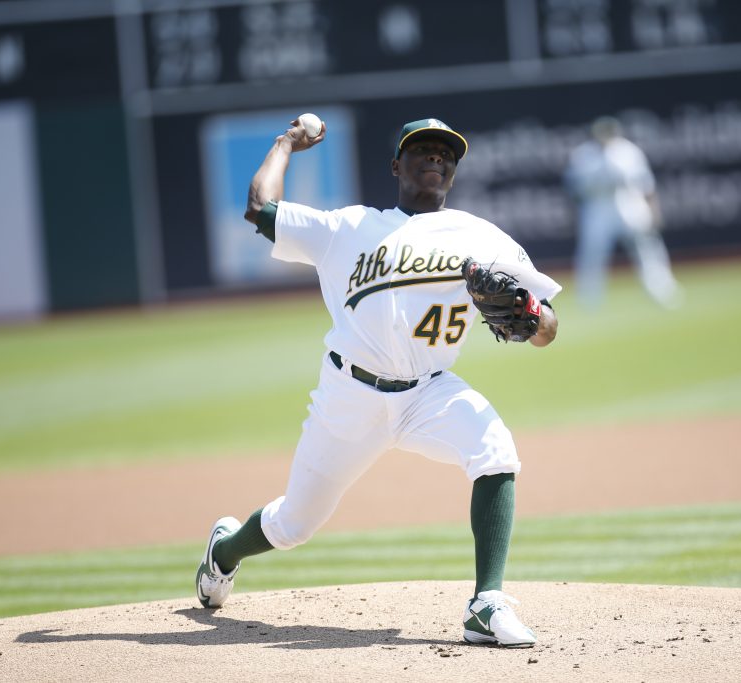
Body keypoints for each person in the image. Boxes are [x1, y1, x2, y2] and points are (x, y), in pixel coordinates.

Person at [195, 117, 561, 648]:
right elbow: (259, 208)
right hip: (349, 396)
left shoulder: (483, 238)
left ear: (454, 173)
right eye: (422, 150)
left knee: (494, 448)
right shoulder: (348, 227)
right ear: (396, 166)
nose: (435, 157)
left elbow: (547, 329)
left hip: (428, 392)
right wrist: (284, 145)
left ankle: (486, 604)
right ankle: (224, 551)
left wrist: (529, 311)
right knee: (294, 525)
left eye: (445, 154)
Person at [564, 115, 681, 309]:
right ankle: (588, 301)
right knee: (592, 254)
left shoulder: (628, 151)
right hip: (598, 208)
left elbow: (646, 185)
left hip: (629, 203)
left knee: (647, 250)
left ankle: (662, 291)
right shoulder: (583, 155)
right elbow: (575, 190)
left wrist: (654, 212)